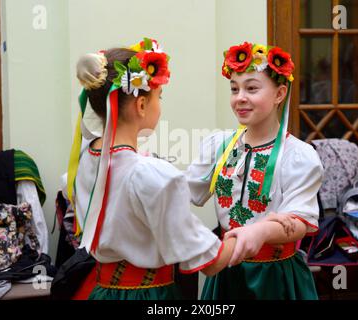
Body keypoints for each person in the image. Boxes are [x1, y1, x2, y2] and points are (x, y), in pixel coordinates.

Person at [66, 38, 236, 300]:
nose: (160, 105)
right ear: (141, 105)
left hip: (101, 291)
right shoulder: (152, 176)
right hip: (149, 295)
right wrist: (249, 235)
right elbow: (210, 261)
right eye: (159, 97)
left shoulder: (84, 161)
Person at [186, 42, 324, 299]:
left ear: (280, 94)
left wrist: (260, 231)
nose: (240, 98)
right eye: (234, 89)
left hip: (276, 276)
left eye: (251, 88)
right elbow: (186, 192)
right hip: (228, 271)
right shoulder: (219, 145)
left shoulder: (298, 155)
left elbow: (300, 223)